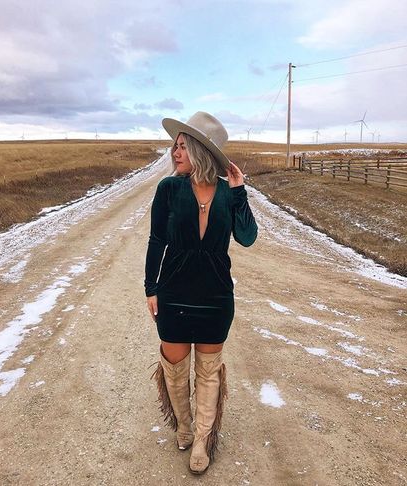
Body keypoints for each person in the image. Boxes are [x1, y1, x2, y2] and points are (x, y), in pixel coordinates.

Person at [144, 111, 258, 474]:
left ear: (199, 150)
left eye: (181, 146)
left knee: (209, 372)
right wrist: (151, 288)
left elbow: (247, 237)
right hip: (173, 293)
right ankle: (184, 426)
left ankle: (203, 440)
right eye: (174, 146)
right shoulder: (168, 189)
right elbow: (156, 240)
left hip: (215, 297)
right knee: (175, 369)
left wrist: (240, 193)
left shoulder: (227, 192)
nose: (174, 152)